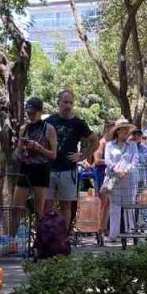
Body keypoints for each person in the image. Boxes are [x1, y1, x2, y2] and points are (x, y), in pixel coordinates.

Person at [46, 89, 96, 228]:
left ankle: (62, 237)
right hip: (49, 169)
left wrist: (83, 155)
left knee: (65, 205)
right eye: (65, 102)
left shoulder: (78, 123)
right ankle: (46, 237)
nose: (68, 106)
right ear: (59, 103)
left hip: (68, 170)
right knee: (46, 205)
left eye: (70, 103)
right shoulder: (49, 121)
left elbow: (95, 141)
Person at [12, 97, 57, 219]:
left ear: (40, 112)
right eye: (28, 113)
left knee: (39, 211)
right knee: (16, 208)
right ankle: (13, 237)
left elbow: (53, 154)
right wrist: (19, 149)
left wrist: (39, 148)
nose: (30, 115)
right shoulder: (23, 128)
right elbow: (18, 152)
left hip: (41, 170)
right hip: (25, 169)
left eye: (33, 113)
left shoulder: (49, 129)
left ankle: (39, 237)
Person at [102, 118, 140, 241]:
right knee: (115, 206)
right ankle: (113, 234)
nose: (125, 132)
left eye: (127, 130)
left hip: (129, 179)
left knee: (130, 207)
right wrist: (115, 169)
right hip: (114, 178)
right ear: (117, 131)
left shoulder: (133, 145)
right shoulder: (109, 145)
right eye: (122, 130)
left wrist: (126, 170)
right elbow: (107, 160)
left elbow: (135, 160)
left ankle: (130, 233)